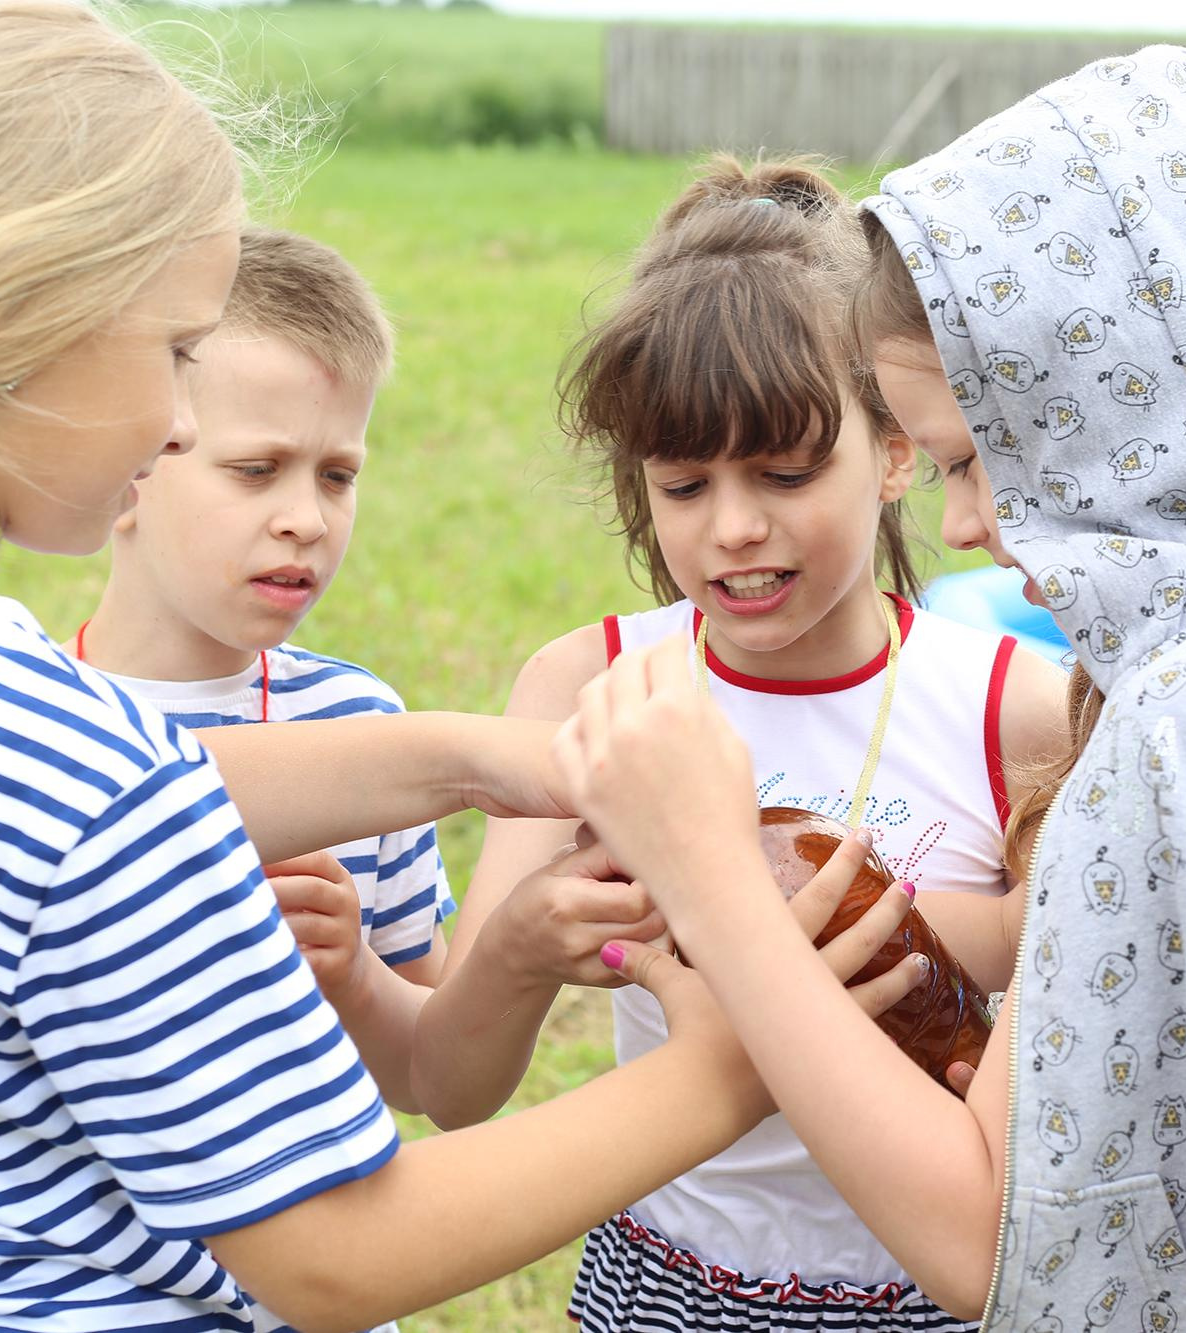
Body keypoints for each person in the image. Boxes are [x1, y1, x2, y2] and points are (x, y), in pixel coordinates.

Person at [0, 6, 921, 1330]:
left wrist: (480, 759)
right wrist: (737, 1064)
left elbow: (47, 810)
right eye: (180, 351)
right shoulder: (76, 783)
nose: (185, 414)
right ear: (25, 318)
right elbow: (341, 1256)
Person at [552, 48, 1186, 1333]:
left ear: (1120, 421)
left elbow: (982, 1240)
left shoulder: (1172, 741)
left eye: (981, 458)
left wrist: (708, 881)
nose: (965, 521)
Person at [410, 156, 1070, 1332]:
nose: (733, 528)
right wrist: (514, 949)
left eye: (784, 470)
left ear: (898, 449)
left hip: (931, 1291)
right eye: (682, 483)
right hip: (665, 1283)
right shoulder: (591, 690)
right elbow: (455, 1090)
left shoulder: (1014, 711)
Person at [73, 226, 451, 1116]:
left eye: (337, 476)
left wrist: (353, 971)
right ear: (127, 468)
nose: (307, 520)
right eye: (257, 470)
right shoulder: (27, 723)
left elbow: (427, 1070)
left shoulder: (368, 729)